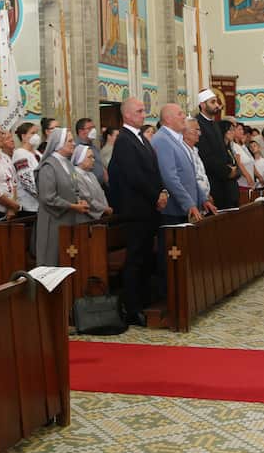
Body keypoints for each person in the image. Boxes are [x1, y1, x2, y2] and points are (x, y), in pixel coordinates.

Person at [107, 98, 168, 325]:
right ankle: (132, 308)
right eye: (140, 111)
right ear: (127, 115)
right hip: (136, 211)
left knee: (145, 258)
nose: (144, 114)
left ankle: (144, 299)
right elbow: (134, 175)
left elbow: (153, 170)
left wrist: (162, 192)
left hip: (148, 209)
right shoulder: (124, 140)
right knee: (135, 259)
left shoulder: (140, 138)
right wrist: (155, 196)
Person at [34, 128, 88, 265]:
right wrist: (72, 206)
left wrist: (79, 200)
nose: (74, 143)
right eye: (70, 141)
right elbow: (48, 197)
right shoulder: (48, 167)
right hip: (53, 221)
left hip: (68, 219)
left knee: (66, 260)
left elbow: (74, 188)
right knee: (51, 260)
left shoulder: (68, 163)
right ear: (58, 144)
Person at [151, 103, 203, 225]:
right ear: (168, 119)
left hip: (184, 209)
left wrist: (203, 199)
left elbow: (189, 175)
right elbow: (169, 177)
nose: (184, 116)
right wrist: (188, 204)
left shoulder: (176, 138)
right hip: (173, 211)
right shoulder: (162, 139)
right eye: (180, 114)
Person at [195, 89, 238, 209]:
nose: (217, 105)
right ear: (203, 105)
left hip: (225, 181)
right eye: (212, 102)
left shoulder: (215, 124)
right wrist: (227, 171)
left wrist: (232, 168)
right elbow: (205, 156)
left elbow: (223, 150)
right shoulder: (198, 124)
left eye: (217, 102)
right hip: (211, 182)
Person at [183, 118, 219, 217]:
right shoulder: (183, 151)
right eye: (196, 129)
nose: (200, 133)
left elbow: (201, 175)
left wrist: (206, 195)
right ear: (184, 131)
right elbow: (190, 178)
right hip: (193, 202)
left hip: (203, 200)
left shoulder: (195, 150)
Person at [71, 146, 112, 219]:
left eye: (93, 157)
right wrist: (104, 209)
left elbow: (102, 193)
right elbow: (87, 199)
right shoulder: (75, 176)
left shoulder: (91, 174)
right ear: (80, 159)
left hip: (103, 214)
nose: (93, 160)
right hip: (86, 218)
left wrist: (106, 207)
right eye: (89, 157)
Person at [12, 122, 41, 214]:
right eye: (32, 133)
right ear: (23, 136)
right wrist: (45, 197)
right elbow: (27, 181)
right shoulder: (20, 154)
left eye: (37, 133)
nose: (36, 136)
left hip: (42, 205)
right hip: (29, 207)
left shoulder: (38, 153)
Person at [74, 117, 108, 187]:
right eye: (89, 128)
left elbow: (100, 165)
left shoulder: (94, 147)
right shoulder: (76, 148)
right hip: (87, 187)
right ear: (81, 131)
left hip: (100, 186)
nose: (93, 130)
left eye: (94, 127)